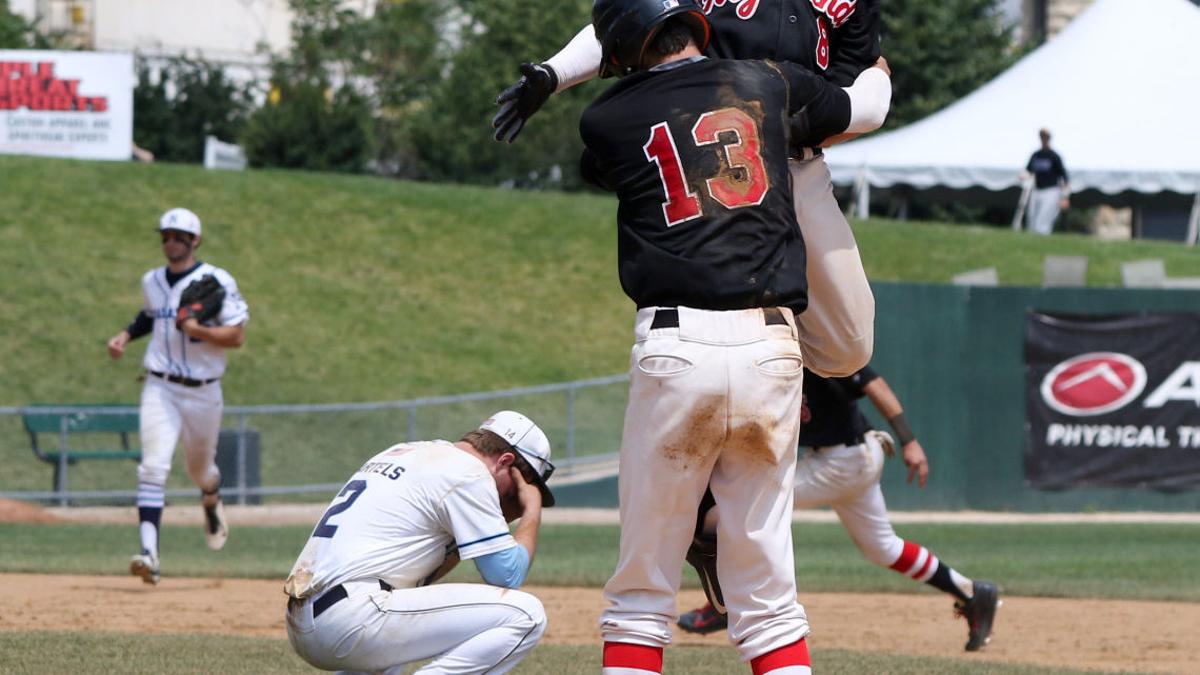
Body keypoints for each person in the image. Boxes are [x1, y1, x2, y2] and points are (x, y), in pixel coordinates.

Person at [578, 3, 889, 673]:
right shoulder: (768, 82)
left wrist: (564, 73)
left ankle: (700, 522)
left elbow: (611, 158)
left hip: (675, 345)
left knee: (640, 596)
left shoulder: (605, 118)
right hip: (774, 348)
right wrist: (876, 76)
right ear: (694, 23)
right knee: (770, 599)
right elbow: (853, 109)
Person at [493, 0, 889, 379]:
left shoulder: (857, 5)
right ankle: (740, 369)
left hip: (796, 162)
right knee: (710, 307)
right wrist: (553, 73)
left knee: (848, 346)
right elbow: (633, 16)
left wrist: (790, 124)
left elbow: (847, 101)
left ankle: (768, 362)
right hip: (704, 159)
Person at [677, 364, 1001, 652]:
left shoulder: (820, 353)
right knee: (884, 548)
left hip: (842, 462)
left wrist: (910, 440)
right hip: (848, 459)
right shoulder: (769, 357)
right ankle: (972, 592)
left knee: (731, 508)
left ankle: (726, 604)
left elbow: (875, 385)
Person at [283, 411, 553, 674]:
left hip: (314, 617)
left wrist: (477, 530)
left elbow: (421, 574)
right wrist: (532, 510)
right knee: (527, 615)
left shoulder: (409, 452)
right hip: (352, 616)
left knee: (401, 617)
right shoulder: (469, 473)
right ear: (505, 461)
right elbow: (507, 574)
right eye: (520, 485)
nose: (516, 498)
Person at [106, 207, 248, 585]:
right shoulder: (152, 280)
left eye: (178, 236)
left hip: (203, 391)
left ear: (194, 241)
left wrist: (196, 328)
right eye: (166, 235)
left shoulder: (216, 280)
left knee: (199, 469)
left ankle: (211, 496)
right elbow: (151, 315)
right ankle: (149, 555)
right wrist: (124, 335)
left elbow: (236, 335)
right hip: (159, 384)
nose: (170, 241)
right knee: (153, 467)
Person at [1023, 128, 1070, 235]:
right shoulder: (1036, 155)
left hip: (1051, 191)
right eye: (1041, 137)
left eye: (1045, 137)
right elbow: (1028, 170)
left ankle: (1042, 237)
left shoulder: (1054, 156)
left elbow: (1064, 177)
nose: (1043, 139)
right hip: (1037, 189)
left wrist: (1065, 197)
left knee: (1044, 219)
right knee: (1032, 217)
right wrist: (1024, 175)